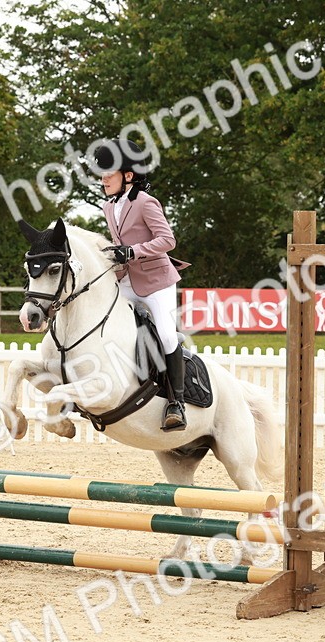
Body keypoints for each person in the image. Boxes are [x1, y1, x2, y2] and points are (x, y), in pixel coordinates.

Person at [93, 139, 191, 432]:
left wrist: (133, 251)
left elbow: (167, 240)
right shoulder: (108, 206)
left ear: (128, 176)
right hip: (126, 281)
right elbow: (119, 242)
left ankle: (177, 403)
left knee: (165, 333)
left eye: (109, 173)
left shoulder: (147, 203)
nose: (103, 179)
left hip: (156, 281)